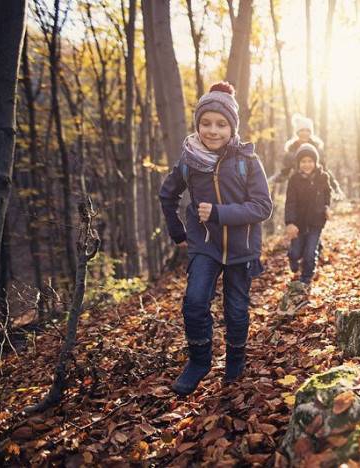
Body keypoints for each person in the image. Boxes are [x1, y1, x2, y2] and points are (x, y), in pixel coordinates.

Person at [159, 81, 272, 396]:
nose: (213, 130)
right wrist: (177, 231)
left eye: (221, 124)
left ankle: (235, 359)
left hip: (242, 248)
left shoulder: (247, 161)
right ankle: (199, 361)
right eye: (206, 123)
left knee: (236, 309)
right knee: (194, 302)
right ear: (197, 125)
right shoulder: (189, 161)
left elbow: (263, 207)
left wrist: (221, 213)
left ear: (232, 127)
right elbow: (167, 195)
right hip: (204, 246)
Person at [284, 143, 332, 287]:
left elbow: (327, 194)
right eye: (303, 161)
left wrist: (327, 207)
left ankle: (306, 279)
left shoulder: (323, 177)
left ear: (315, 162)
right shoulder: (294, 179)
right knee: (296, 252)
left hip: (316, 221)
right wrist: (290, 222)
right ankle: (292, 257)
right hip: (298, 222)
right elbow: (290, 202)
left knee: (310, 252)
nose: (307, 164)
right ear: (298, 163)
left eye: (310, 161)